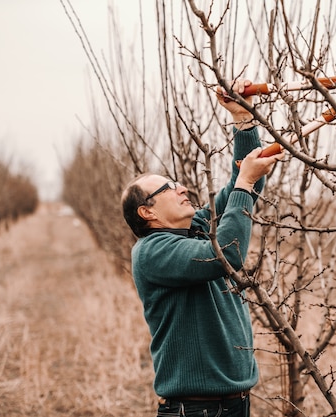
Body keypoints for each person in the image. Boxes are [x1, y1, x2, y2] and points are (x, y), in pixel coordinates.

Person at [120, 78, 282, 417]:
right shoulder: (153, 252)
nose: (180, 187)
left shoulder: (194, 231)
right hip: (196, 410)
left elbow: (245, 185)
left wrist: (243, 121)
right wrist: (245, 182)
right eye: (166, 188)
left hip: (234, 402)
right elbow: (229, 252)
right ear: (147, 212)